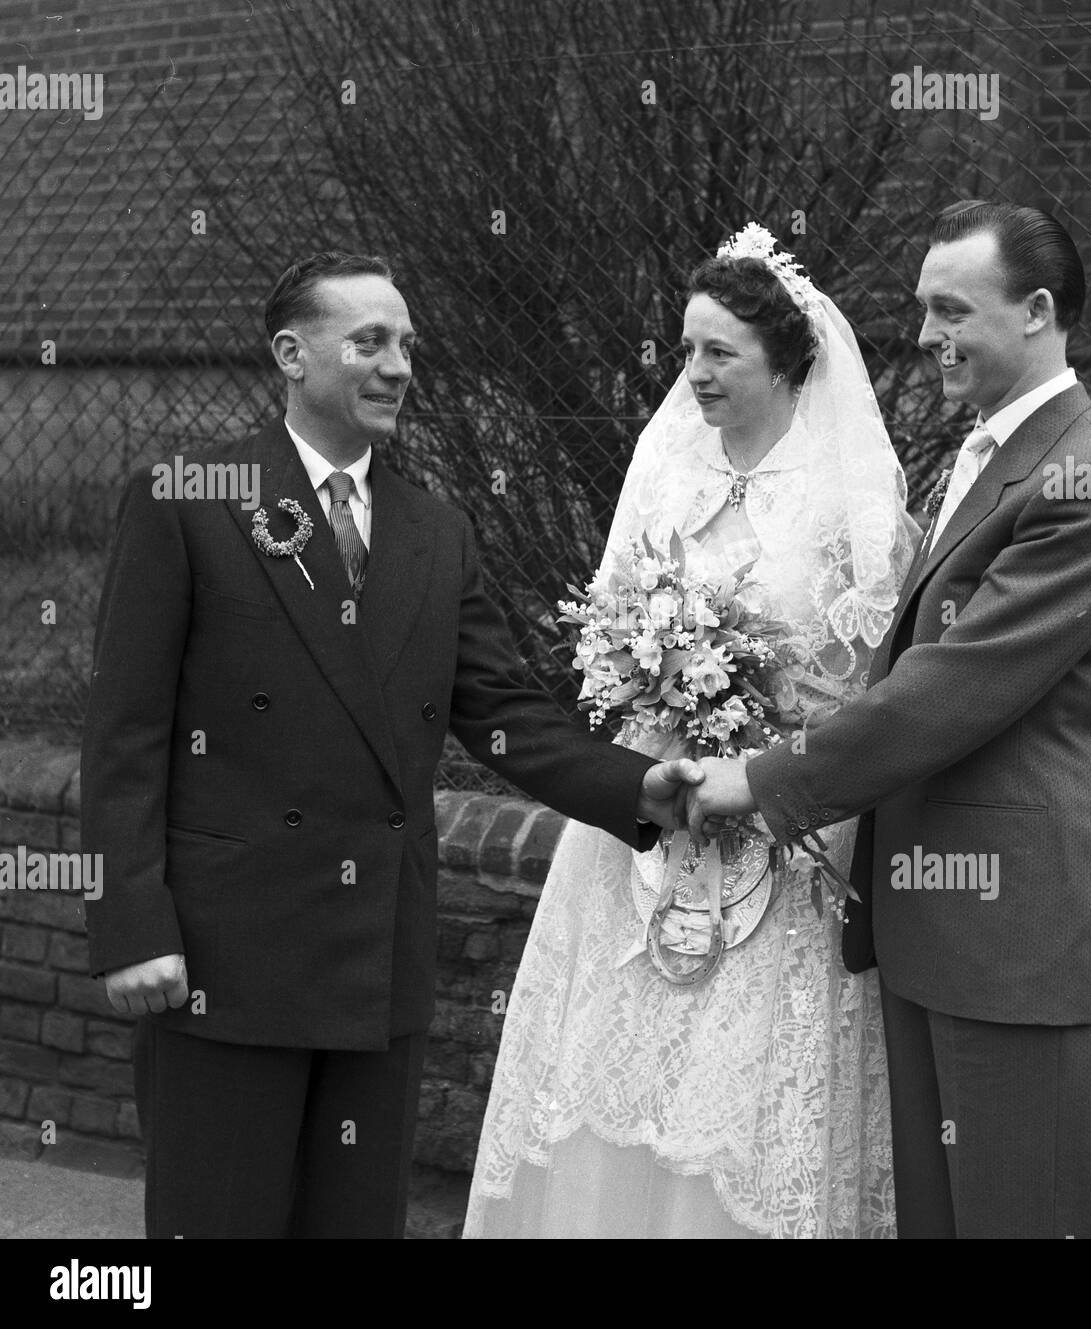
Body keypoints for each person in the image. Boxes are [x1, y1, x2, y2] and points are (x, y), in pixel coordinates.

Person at [79, 251, 700, 1239]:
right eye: (369, 339)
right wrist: (134, 925)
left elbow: (504, 713)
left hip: (377, 961)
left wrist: (646, 786)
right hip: (224, 958)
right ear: (291, 353)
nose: (399, 365)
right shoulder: (189, 494)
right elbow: (124, 732)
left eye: (406, 343)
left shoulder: (434, 530)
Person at [686, 201, 1091, 1238]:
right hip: (935, 922)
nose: (921, 335)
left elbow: (953, 683)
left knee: (1022, 1217)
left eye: (951, 309)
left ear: (1038, 311)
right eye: (920, 308)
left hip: (1016, 936)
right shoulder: (991, 449)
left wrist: (764, 778)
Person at [464, 225, 917, 1239]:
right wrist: (651, 699)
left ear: (786, 359)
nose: (695, 372)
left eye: (720, 352)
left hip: (778, 826)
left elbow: (873, 686)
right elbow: (606, 635)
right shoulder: (662, 466)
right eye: (686, 350)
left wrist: (754, 747)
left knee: (739, 1094)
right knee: (612, 1072)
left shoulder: (850, 502)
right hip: (647, 817)